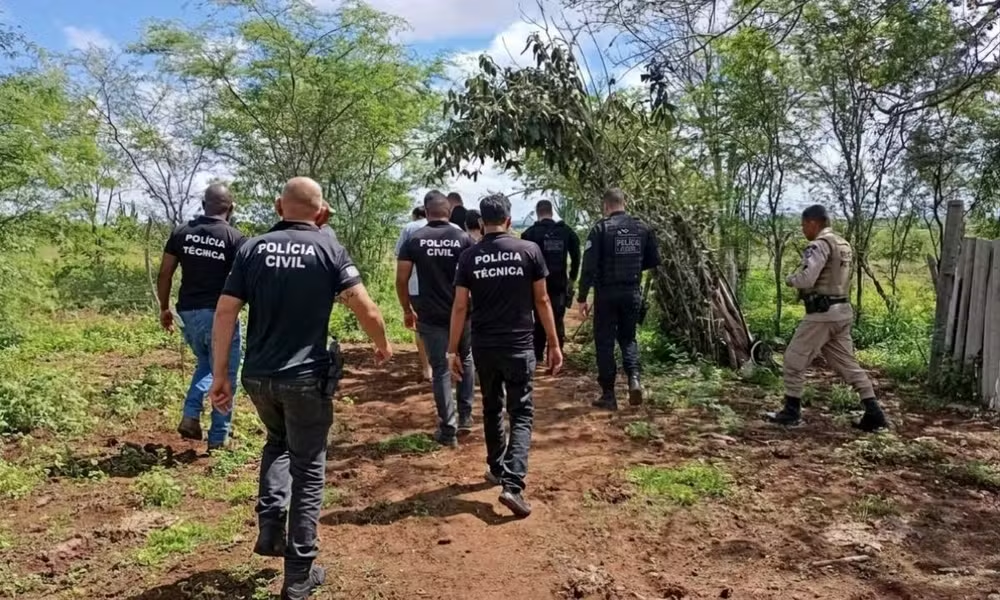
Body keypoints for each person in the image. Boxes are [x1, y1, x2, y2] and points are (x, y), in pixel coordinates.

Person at [207, 177, 392, 600]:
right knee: (308, 468)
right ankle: (298, 575)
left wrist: (220, 375)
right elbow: (365, 307)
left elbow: (225, 311)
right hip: (306, 378)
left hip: (258, 376)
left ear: (279, 206)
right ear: (321, 211)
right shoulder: (328, 248)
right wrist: (381, 344)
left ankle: (271, 525)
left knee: (278, 443)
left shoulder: (251, 249)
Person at [449, 193, 563, 518]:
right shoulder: (529, 251)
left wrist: (452, 350)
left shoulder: (469, 256)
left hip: (484, 346)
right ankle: (512, 483)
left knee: (491, 406)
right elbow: (542, 301)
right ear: (509, 220)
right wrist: (553, 343)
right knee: (521, 412)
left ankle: (497, 468)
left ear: (481, 223)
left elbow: (460, 306)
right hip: (519, 345)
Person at [766, 204, 888, 432]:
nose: (803, 230)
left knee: (793, 359)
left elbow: (807, 278)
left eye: (804, 225)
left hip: (822, 315)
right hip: (842, 312)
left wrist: (791, 280)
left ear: (813, 223)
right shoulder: (843, 244)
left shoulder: (819, 245)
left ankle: (791, 412)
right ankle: (874, 413)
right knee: (847, 364)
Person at [157, 183, 245, 451]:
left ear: (203, 204)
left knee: (207, 362)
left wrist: (164, 308)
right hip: (220, 316)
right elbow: (245, 279)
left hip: (187, 313)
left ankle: (191, 414)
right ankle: (218, 438)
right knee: (226, 373)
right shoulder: (234, 238)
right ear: (231, 208)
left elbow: (165, 273)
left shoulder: (182, 232)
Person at [397, 191, 476, 447]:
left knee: (440, 367)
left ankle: (448, 429)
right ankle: (466, 416)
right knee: (465, 358)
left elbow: (401, 279)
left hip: (429, 312)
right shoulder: (463, 238)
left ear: (426, 211)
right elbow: (475, 276)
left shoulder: (415, 239)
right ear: (449, 212)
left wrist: (407, 309)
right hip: (461, 310)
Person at [576, 188, 660, 411]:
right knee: (628, 339)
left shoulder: (600, 229)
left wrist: (582, 297)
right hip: (632, 292)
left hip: (606, 294)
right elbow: (652, 260)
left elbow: (588, 266)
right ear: (625, 202)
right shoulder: (642, 228)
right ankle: (634, 379)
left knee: (604, 342)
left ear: (606, 205)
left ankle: (608, 395)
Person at [521, 200, 580, 363]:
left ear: (537, 213)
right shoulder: (566, 231)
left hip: (536, 285)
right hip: (559, 284)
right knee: (558, 319)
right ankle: (555, 359)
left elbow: (523, 262)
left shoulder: (529, 234)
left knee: (539, 319)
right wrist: (572, 278)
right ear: (551, 212)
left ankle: (537, 356)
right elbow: (576, 256)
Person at [396, 204, 432, 381]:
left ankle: (427, 369)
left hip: (416, 286)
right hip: (445, 288)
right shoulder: (449, 227)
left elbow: (400, 255)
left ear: (415, 216)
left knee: (420, 328)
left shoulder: (409, 228)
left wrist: (405, 307)